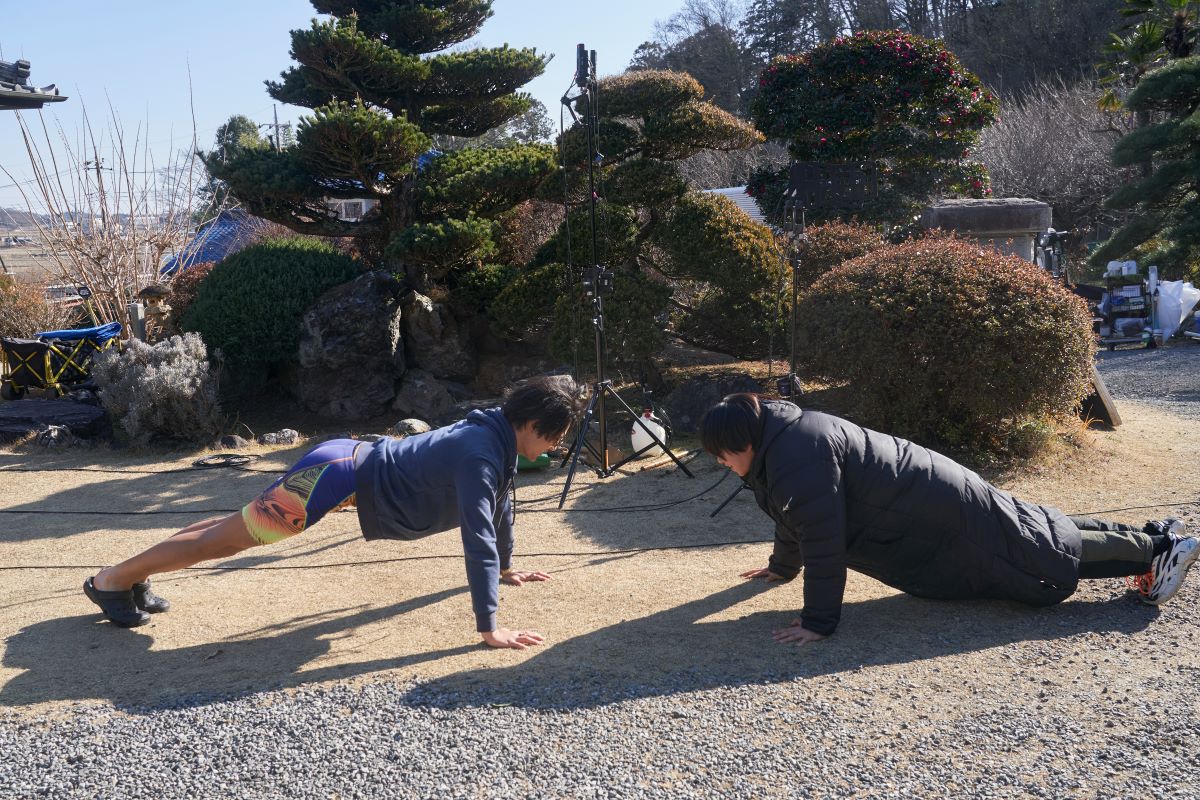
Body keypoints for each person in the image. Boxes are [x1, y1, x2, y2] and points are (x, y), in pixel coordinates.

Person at [83, 376, 585, 649]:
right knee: (228, 540)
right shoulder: (481, 453)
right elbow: (477, 533)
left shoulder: (494, 435)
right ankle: (111, 581)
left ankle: (132, 574)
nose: (553, 449)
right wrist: (489, 625)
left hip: (348, 459)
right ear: (534, 422)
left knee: (226, 529)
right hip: (337, 477)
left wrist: (507, 566)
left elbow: (500, 507)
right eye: (555, 438)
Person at [700, 393, 1199, 646]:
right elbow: (795, 520)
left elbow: (822, 538)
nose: (722, 464)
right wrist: (781, 569)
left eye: (721, 455)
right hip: (931, 497)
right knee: (1032, 529)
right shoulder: (782, 439)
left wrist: (818, 623)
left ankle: (1157, 552)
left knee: (1035, 554)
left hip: (936, 510)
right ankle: (1151, 537)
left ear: (742, 442)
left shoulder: (793, 456)